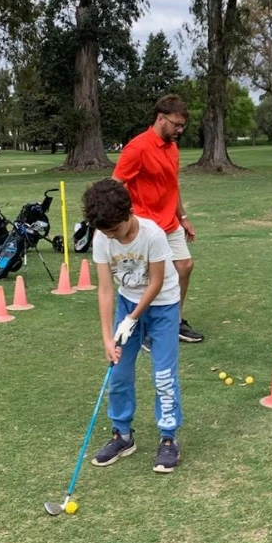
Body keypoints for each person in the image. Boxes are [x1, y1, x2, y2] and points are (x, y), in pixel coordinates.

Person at [83, 178, 183, 473]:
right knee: (118, 373)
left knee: (163, 375)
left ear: (129, 213)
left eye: (115, 230)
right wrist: (107, 338)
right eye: (106, 232)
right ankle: (122, 435)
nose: (111, 236)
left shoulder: (153, 235)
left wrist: (132, 318)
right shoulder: (102, 238)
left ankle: (168, 437)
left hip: (162, 306)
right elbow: (105, 290)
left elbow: (156, 282)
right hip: (127, 304)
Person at [113, 95, 203, 344]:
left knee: (184, 266)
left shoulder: (172, 147)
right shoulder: (137, 148)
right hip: (145, 226)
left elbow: (172, 185)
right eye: (176, 124)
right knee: (150, 279)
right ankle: (143, 326)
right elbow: (115, 184)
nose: (180, 130)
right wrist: (121, 221)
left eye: (182, 125)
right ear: (160, 118)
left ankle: (174, 321)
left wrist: (182, 217)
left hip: (169, 222)